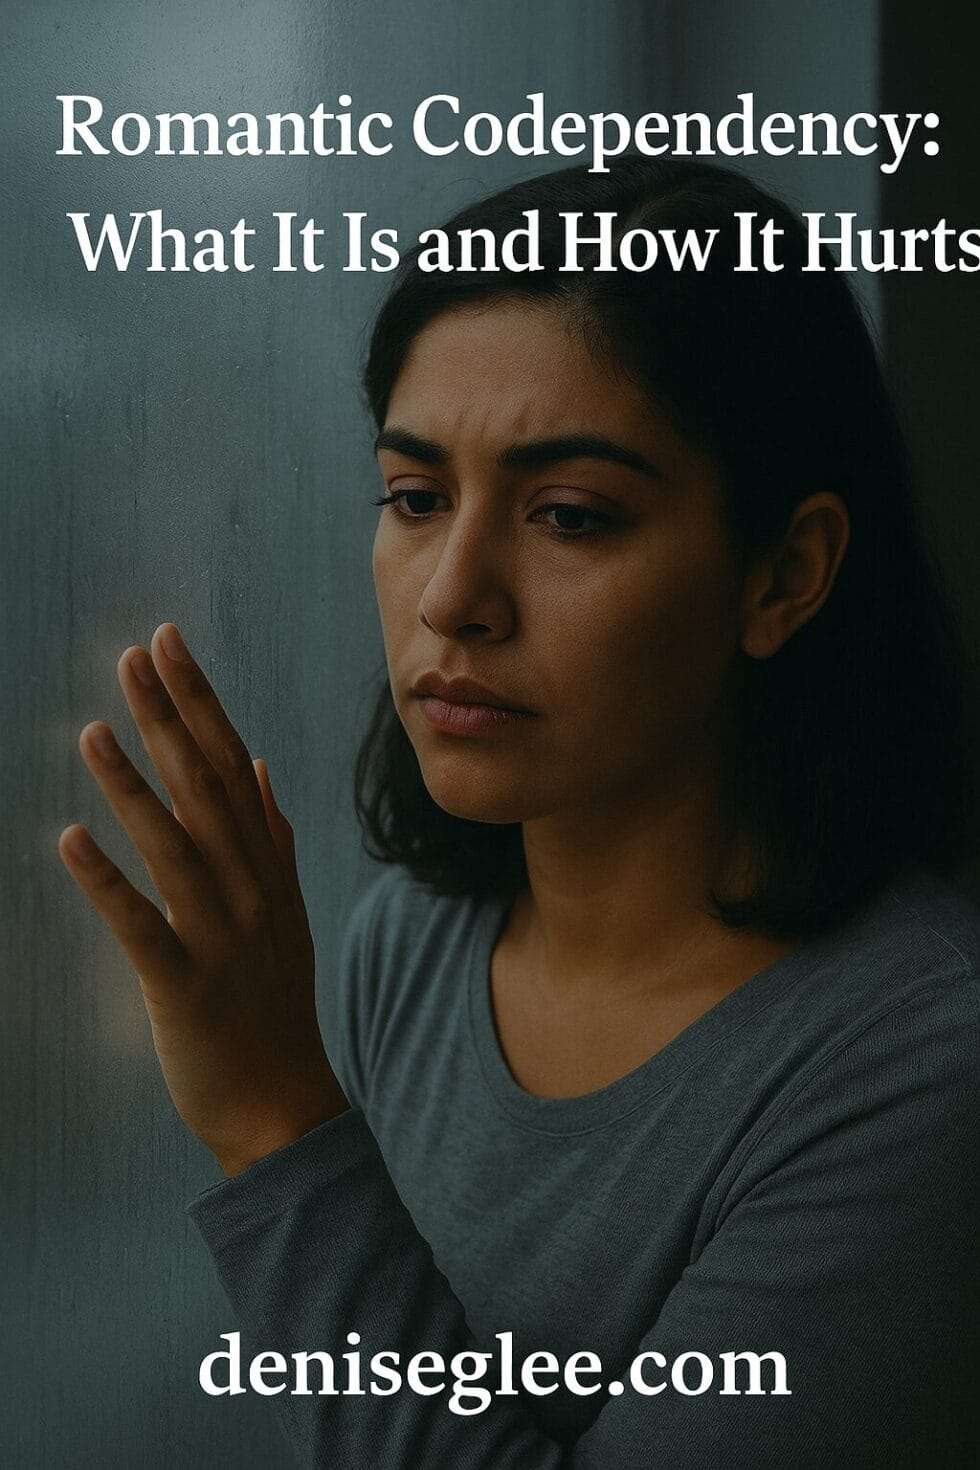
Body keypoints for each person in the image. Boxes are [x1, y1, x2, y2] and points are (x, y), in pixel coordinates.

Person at [58, 158, 978, 1467]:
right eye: (416, 497)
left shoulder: (921, 1066)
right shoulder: (415, 940)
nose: (452, 596)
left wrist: (275, 1115)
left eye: (569, 514)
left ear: (784, 574)